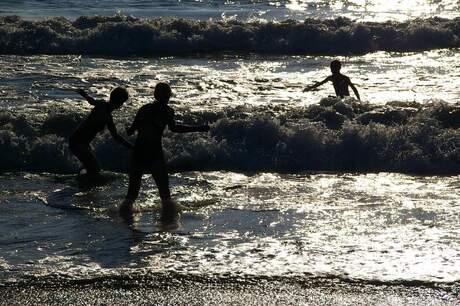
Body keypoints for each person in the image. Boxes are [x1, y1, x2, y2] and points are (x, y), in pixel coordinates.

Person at [120, 82, 209, 219]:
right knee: (165, 195)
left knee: (131, 195)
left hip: (139, 151)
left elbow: (131, 131)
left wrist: (126, 129)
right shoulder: (168, 111)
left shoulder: (144, 109)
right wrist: (198, 128)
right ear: (168, 96)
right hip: (155, 153)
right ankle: (167, 221)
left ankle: (125, 220)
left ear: (155, 95)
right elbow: (175, 129)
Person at [69, 87, 133, 176]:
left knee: (90, 167)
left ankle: (81, 181)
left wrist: (85, 95)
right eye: (122, 102)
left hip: (81, 142)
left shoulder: (102, 106)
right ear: (120, 103)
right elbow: (116, 137)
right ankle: (81, 183)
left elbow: (91, 101)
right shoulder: (107, 115)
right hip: (78, 142)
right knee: (95, 169)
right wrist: (131, 147)